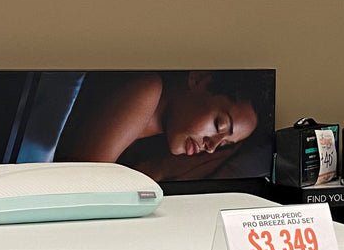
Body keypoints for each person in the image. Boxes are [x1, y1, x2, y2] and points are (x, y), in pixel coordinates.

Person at [53, 70, 271, 180]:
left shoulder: (155, 144)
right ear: (198, 79)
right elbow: (82, 191)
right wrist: (158, 170)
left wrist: (162, 169)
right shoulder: (148, 90)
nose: (211, 147)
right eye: (219, 125)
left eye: (223, 144)